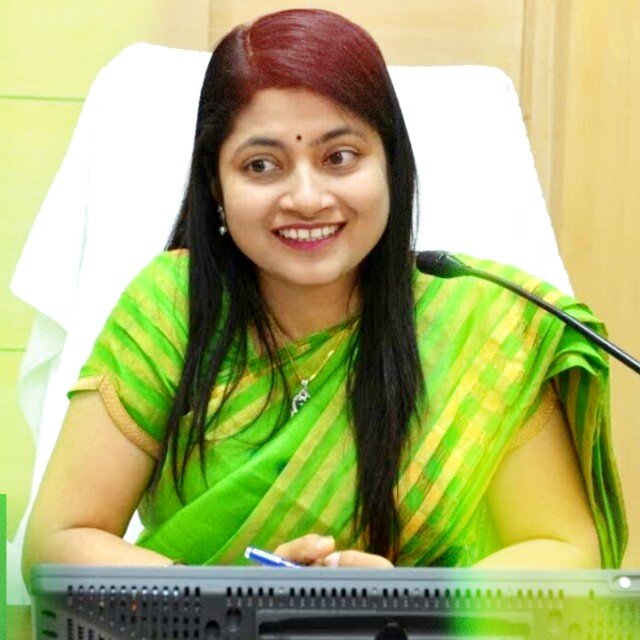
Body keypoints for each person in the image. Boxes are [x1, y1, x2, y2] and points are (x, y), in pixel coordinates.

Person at [22, 8, 626, 579]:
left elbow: (566, 550)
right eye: (262, 165)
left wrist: (407, 607)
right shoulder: (170, 306)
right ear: (216, 185)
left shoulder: (483, 331)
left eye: (339, 157)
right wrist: (233, 607)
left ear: (391, 167)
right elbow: (59, 541)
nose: (307, 198)